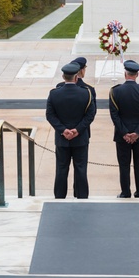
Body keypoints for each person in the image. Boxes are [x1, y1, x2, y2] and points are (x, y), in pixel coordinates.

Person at [47, 62, 96, 198]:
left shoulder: (54, 94)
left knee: (61, 169)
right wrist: (77, 130)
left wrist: (63, 130)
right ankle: (81, 198)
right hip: (80, 139)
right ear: (76, 77)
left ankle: (59, 197)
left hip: (62, 140)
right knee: (80, 169)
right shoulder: (86, 93)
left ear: (63, 76)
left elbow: (50, 115)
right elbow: (90, 115)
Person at [109, 60, 139, 198]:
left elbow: (114, 115)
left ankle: (125, 192)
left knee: (124, 165)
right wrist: (138, 132)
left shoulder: (115, 91)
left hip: (122, 137)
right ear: (137, 74)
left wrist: (125, 133)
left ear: (125, 74)